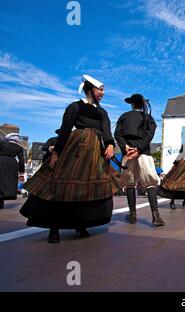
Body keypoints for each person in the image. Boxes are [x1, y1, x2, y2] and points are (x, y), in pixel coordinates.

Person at [20, 75, 124, 243]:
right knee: (62, 188)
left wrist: (110, 144)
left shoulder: (102, 112)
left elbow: (106, 131)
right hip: (76, 149)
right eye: (101, 89)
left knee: (86, 192)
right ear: (91, 89)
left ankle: (81, 224)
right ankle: (54, 228)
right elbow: (65, 129)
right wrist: (57, 152)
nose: (103, 93)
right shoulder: (75, 107)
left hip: (95, 152)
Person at [114, 93, 164, 226]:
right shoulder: (148, 118)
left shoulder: (124, 117)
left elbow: (117, 134)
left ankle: (132, 215)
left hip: (128, 154)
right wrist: (139, 148)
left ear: (132, 104)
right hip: (144, 154)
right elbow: (149, 135)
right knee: (150, 183)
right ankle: (155, 216)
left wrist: (126, 148)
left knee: (130, 184)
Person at [0, 133, 25, 209]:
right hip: (12, 164)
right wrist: (21, 170)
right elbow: (21, 160)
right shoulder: (19, 148)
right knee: (8, 181)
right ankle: (2, 199)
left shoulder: (2, 144)